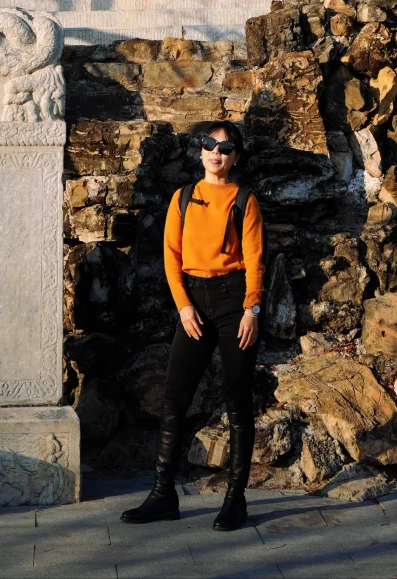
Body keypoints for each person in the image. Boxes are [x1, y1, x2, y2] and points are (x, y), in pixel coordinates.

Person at [121, 121, 264, 533]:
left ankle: (235, 500)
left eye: (226, 147)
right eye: (209, 144)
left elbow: (256, 259)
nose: (216, 152)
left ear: (236, 157)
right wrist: (183, 307)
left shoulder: (244, 200)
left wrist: (252, 310)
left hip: (234, 301)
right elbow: (171, 256)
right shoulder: (183, 197)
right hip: (194, 302)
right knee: (174, 397)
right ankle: (163, 494)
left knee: (238, 401)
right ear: (199, 151)